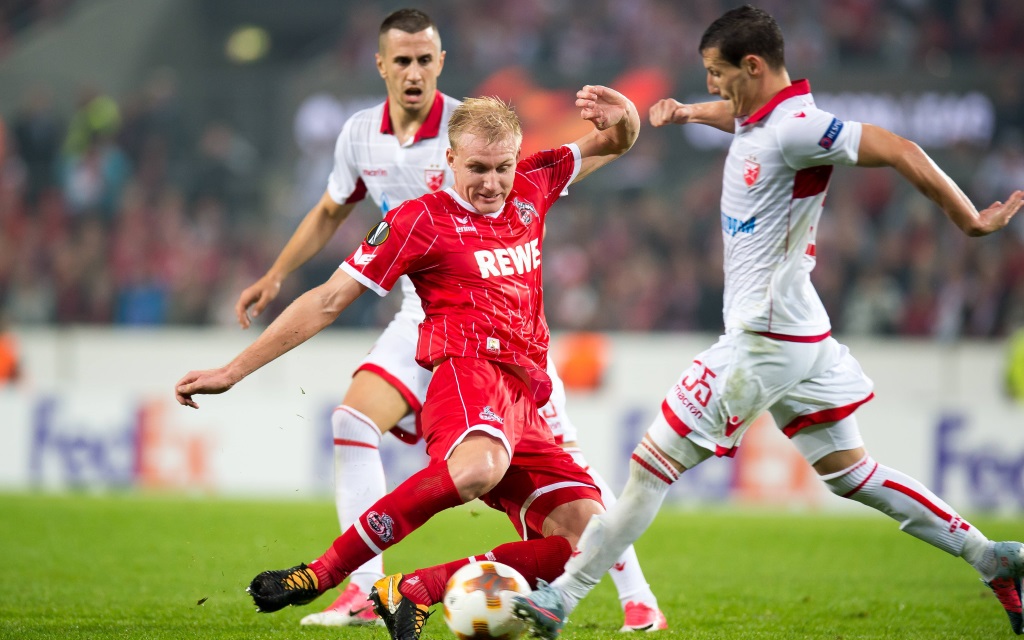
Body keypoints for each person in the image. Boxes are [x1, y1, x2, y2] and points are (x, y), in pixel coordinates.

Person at [511, 5, 1024, 638]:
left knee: (648, 468)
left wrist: (970, 218)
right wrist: (689, 113)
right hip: (802, 335)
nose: (710, 85)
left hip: (762, 340)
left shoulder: (798, 128)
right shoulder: (767, 119)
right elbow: (743, 119)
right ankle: (990, 556)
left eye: (716, 73)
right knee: (853, 474)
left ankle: (561, 598)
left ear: (752, 65)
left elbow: (898, 147)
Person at [232, 8, 666, 632]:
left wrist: (625, 117)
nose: (491, 183)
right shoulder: (417, 216)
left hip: (527, 387)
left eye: (502, 168)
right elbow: (328, 298)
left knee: (585, 537)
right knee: (451, 459)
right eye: (478, 169)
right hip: (464, 368)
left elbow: (615, 142)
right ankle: (327, 575)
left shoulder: (532, 182)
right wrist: (234, 368)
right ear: (450, 163)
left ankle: (412, 589)